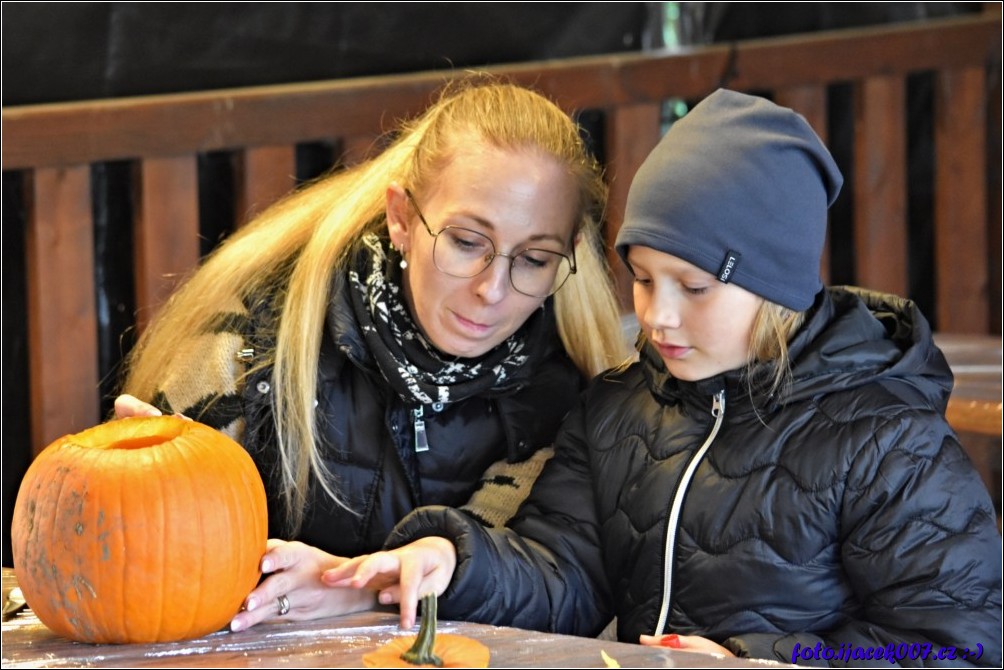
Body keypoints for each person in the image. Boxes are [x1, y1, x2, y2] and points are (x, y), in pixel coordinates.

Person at [325, 89, 1003, 666]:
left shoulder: (886, 442)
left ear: (776, 290)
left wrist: (760, 658)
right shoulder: (621, 411)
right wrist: (456, 559)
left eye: (695, 288)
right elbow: (565, 573)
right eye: (643, 280)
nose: (657, 316)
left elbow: (959, 644)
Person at [113, 75, 628, 630]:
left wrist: (357, 590)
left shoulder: (568, 389)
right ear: (401, 217)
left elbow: (546, 587)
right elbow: (161, 569)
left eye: (533, 259)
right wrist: (146, 480)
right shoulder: (258, 338)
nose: (493, 289)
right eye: (466, 242)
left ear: (568, 255)